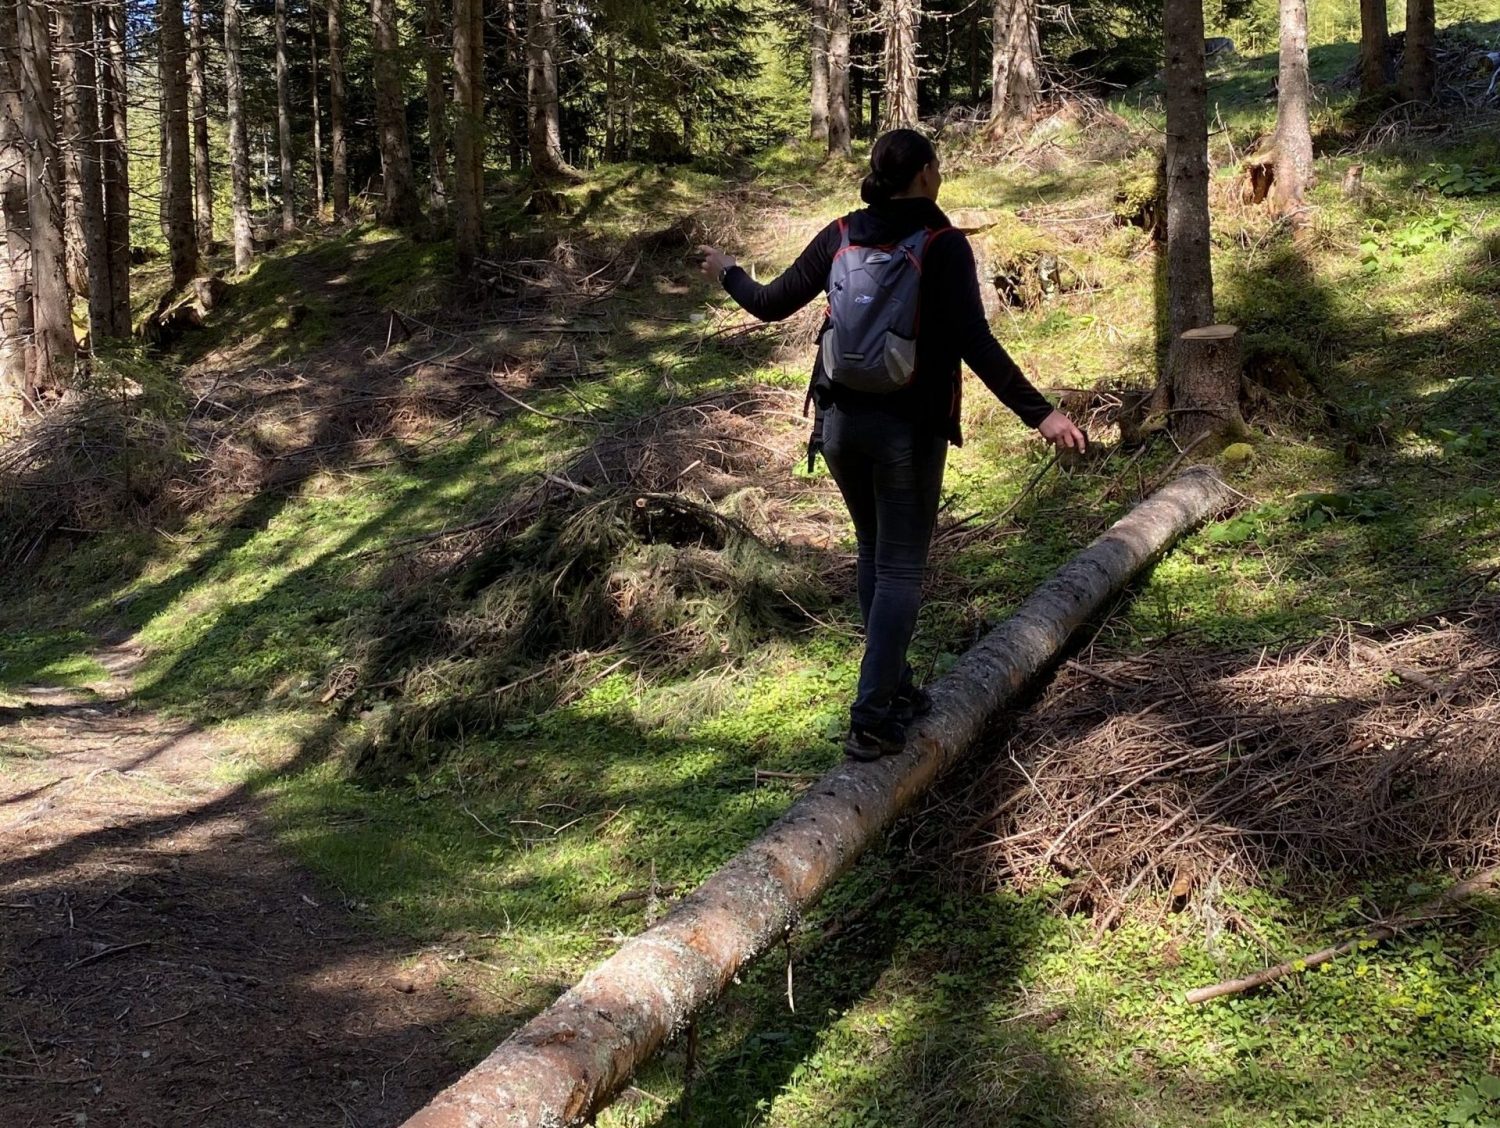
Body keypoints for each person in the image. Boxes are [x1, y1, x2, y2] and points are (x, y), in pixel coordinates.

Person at [698, 128, 1086, 762]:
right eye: (938, 165)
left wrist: (727, 271)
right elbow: (975, 344)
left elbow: (771, 303)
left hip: (841, 424)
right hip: (909, 429)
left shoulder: (843, 233)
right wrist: (1039, 415)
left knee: (875, 553)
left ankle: (895, 686)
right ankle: (873, 716)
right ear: (927, 174)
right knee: (901, 567)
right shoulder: (942, 245)